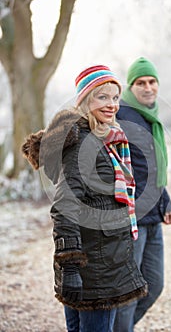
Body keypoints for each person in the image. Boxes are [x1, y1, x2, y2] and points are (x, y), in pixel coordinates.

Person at [22, 65, 148, 332]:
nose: (112, 104)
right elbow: (65, 208)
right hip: (92, 267)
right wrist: (70, 266)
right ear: (85, 99)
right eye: (102, 97)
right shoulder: (83, 144)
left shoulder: (106, 139)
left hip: (103, 262)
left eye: (115, 97)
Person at [113, 57, 171, 332]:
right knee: (128, 293)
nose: (148, 87)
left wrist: (166, 199)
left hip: (153, 217)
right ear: (131, 86)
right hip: (131, 221)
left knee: (154, 284)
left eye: (152, 81)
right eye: (141, 82)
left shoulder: (150, 116)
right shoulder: (122, 115)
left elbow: (150, 167)